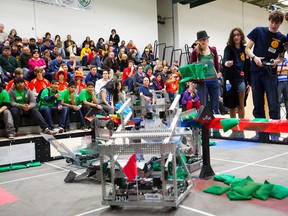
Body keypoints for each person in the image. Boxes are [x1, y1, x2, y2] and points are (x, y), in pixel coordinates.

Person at [245, 10, 286, 142]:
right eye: (272, 22)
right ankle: (260, 134)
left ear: (280, 23)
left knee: (274, 103)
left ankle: (275, 134)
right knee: (258, 104)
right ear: (269, 20)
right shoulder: (258, 31)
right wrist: (255, 57)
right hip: (256, 70)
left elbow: (281, 57)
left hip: (271, 72)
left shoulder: (282, 38)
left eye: (277, 23)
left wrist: (276, 62)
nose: (274, 25)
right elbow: (247, 49)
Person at [189, 30, 221, 137]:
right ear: (198, 41)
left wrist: (219, 74)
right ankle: (205, 132)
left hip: (213, 80)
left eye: (205, 39)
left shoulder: (213, 50)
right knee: (204, 106)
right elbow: (191, 68)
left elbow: (216, 64)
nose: (203, 41)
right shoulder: (195, 52)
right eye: (201, 40)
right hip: (202, 82)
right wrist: (191, 84)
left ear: (207, 39)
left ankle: (216, 131)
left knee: (215, 106)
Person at [222, 27, 251, 138]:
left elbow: (248, 66)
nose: (236, 37)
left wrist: (249, 82)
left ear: (241, 36)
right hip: (230, 80)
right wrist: (226, 64)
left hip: (242, 80)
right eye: (234, 35)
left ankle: (241, 130)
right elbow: (224, 61)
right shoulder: (228, 48)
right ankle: (234, 131)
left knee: (241, 105)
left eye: (238, 35)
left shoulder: (245, 49)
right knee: (231, 106)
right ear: (232, 37)